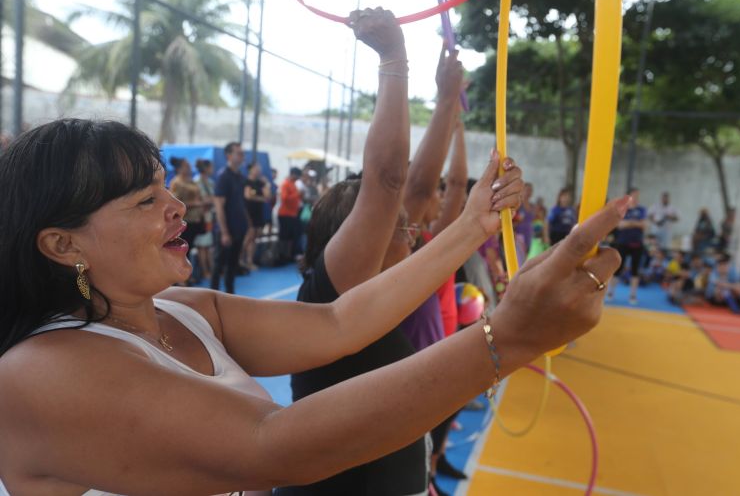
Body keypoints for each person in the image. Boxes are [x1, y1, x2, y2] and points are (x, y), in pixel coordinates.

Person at [0, 116, 629, 494]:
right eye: (143, 200)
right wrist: (507, 337)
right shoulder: (40, 372)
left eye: (165, 185)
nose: (177, 205)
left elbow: (339, 322)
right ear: (62, 244)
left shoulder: (185, 310)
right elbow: (276, 446)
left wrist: (471, 228)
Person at [280, 11, 470, 496]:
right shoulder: (331, 295)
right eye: (397, 228)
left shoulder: (384, 298)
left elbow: (419, 188)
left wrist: (448, 99)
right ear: (350, 241)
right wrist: (393, 59)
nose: (412, 231)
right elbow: (388, 183)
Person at [211, 142, 250, 294]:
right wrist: (224, 232)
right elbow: (219, 206)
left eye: (242, 153)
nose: (242, 156)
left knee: (233, 265)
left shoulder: (240, 177)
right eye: (238, 153)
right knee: (219, 264)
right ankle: (212, 295)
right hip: (227, 229)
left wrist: (248, 224)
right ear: (229, 155)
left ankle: (229, 295)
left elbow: (241, 203)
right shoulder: (223, 177)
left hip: (239, 227)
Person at [168, 157, 206, 285]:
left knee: (188, 250)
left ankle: (185, 276)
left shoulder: (191, 181)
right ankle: (179, 279)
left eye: (189, 164)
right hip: (184, 221)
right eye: (186, 165)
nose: (189, 166)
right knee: (181, 251)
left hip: (195, 220)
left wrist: (201, 205)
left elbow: (199, 197)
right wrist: (194, 203)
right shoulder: (176, 182)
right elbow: (175, 202)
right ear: (179, 168)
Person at [608, 187, 647, 305]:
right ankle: (610, 292)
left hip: (637, 243)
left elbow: (644, 225)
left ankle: (633, 295)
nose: (636, 198)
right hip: (623, 243)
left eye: (637, 196)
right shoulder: (622, 209)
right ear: (628, 197)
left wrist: (630, 223)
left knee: (635, 270)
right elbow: (619, 225)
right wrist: (635, 223)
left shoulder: (642, 209)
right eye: (633, 195)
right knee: (617, 269)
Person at [243, 162, 271, 271]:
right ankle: (239, 258)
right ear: (250, 169)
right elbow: (248, 196)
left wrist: (267, 184)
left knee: (255, 237)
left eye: (259, 168)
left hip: (258, 211)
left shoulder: (261, 182)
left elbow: (267, 196)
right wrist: (260, 198)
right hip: (248, 211)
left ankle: (250, 261)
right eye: (256, 168)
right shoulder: (246, 181)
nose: (258, 170)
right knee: (248, 235)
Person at [194, 159, 216, 280]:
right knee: (202, 246)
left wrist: (210, 200)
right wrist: (210, 200)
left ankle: (210, 270)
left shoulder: (210, 182)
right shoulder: (197, 182)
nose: (212, 169)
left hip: (209, 216)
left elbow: (212, 198)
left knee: (207, 244)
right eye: (211, 167)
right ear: (206, 168)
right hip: (201, 216)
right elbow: (202, 199)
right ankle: (205, 271)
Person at [278, 167, 303, 264]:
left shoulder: (293, 184)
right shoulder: (285, 184)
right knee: (283, 237)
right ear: (293, 174)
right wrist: (297, 195)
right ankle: (281, 255)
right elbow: (284, 198)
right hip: (285, 214)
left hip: (293, 214)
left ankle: (288, 255)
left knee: (291, 236)